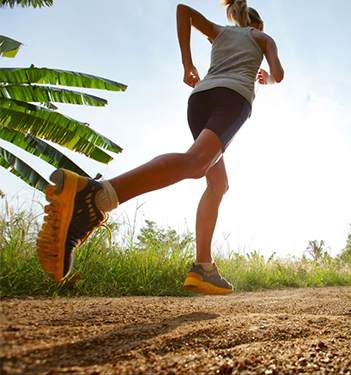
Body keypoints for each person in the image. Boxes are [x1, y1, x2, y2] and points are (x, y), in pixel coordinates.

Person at [36, 0, 284, 295]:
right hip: (234, 98)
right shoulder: (263, 38)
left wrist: (187, 64)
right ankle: (97, 197)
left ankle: (203, 267)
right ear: (258, 25)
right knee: (196, 164)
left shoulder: (221, 32)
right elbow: (277, 75)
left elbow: (184, 11)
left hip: (200, 98)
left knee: (218, 183)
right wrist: (265, 79)